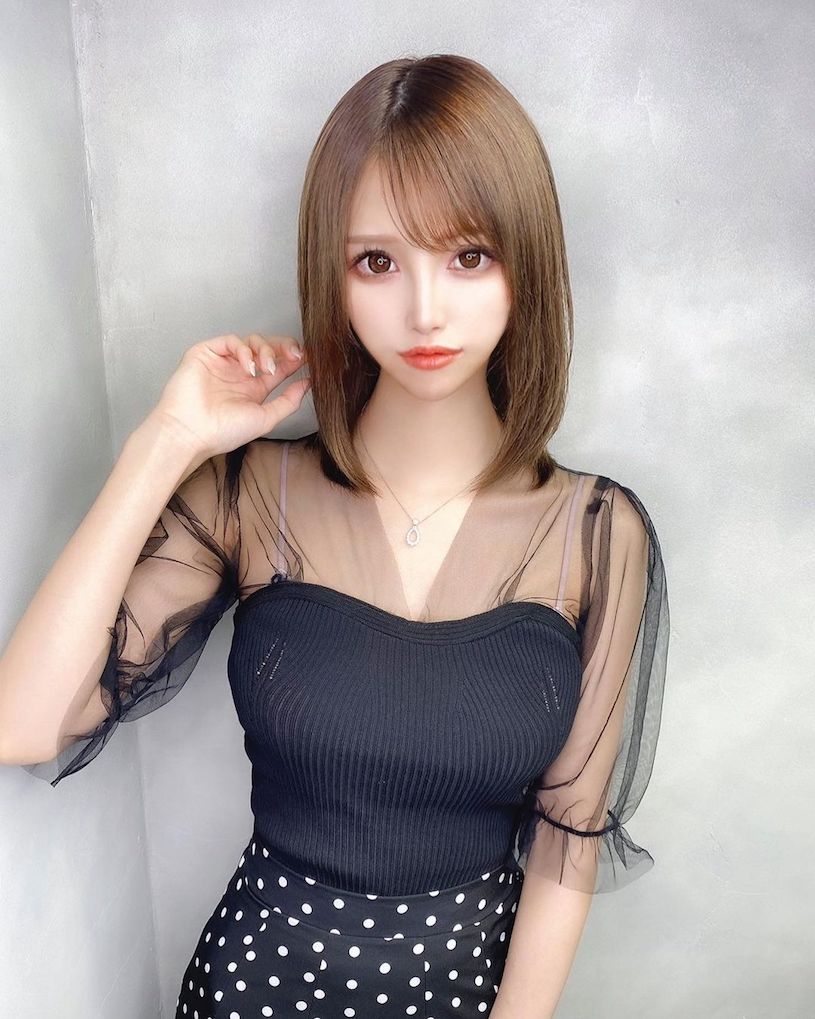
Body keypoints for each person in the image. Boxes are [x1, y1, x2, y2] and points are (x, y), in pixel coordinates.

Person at [0, 53, 669, 1019]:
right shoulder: (248, 494)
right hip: (253, 992)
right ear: (334, 274)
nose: (424, 310)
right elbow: (23, 723)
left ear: (526, 263)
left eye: (468, 256)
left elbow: (568, 842)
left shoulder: (598, 533)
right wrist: (167, 440)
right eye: (377, 262)